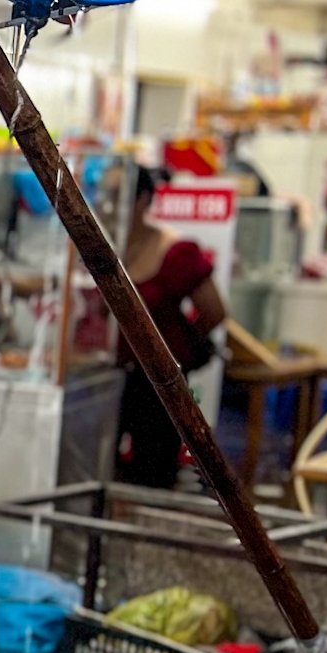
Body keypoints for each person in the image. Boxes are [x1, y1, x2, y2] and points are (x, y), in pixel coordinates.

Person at [114, 164, 227, 487]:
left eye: (117, 195)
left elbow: (214, 311)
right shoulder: (103, 242)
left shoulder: (175, 250)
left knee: (153, 468)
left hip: (157, 383)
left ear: (142, 200)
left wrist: (176, 346)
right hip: (109, 375)